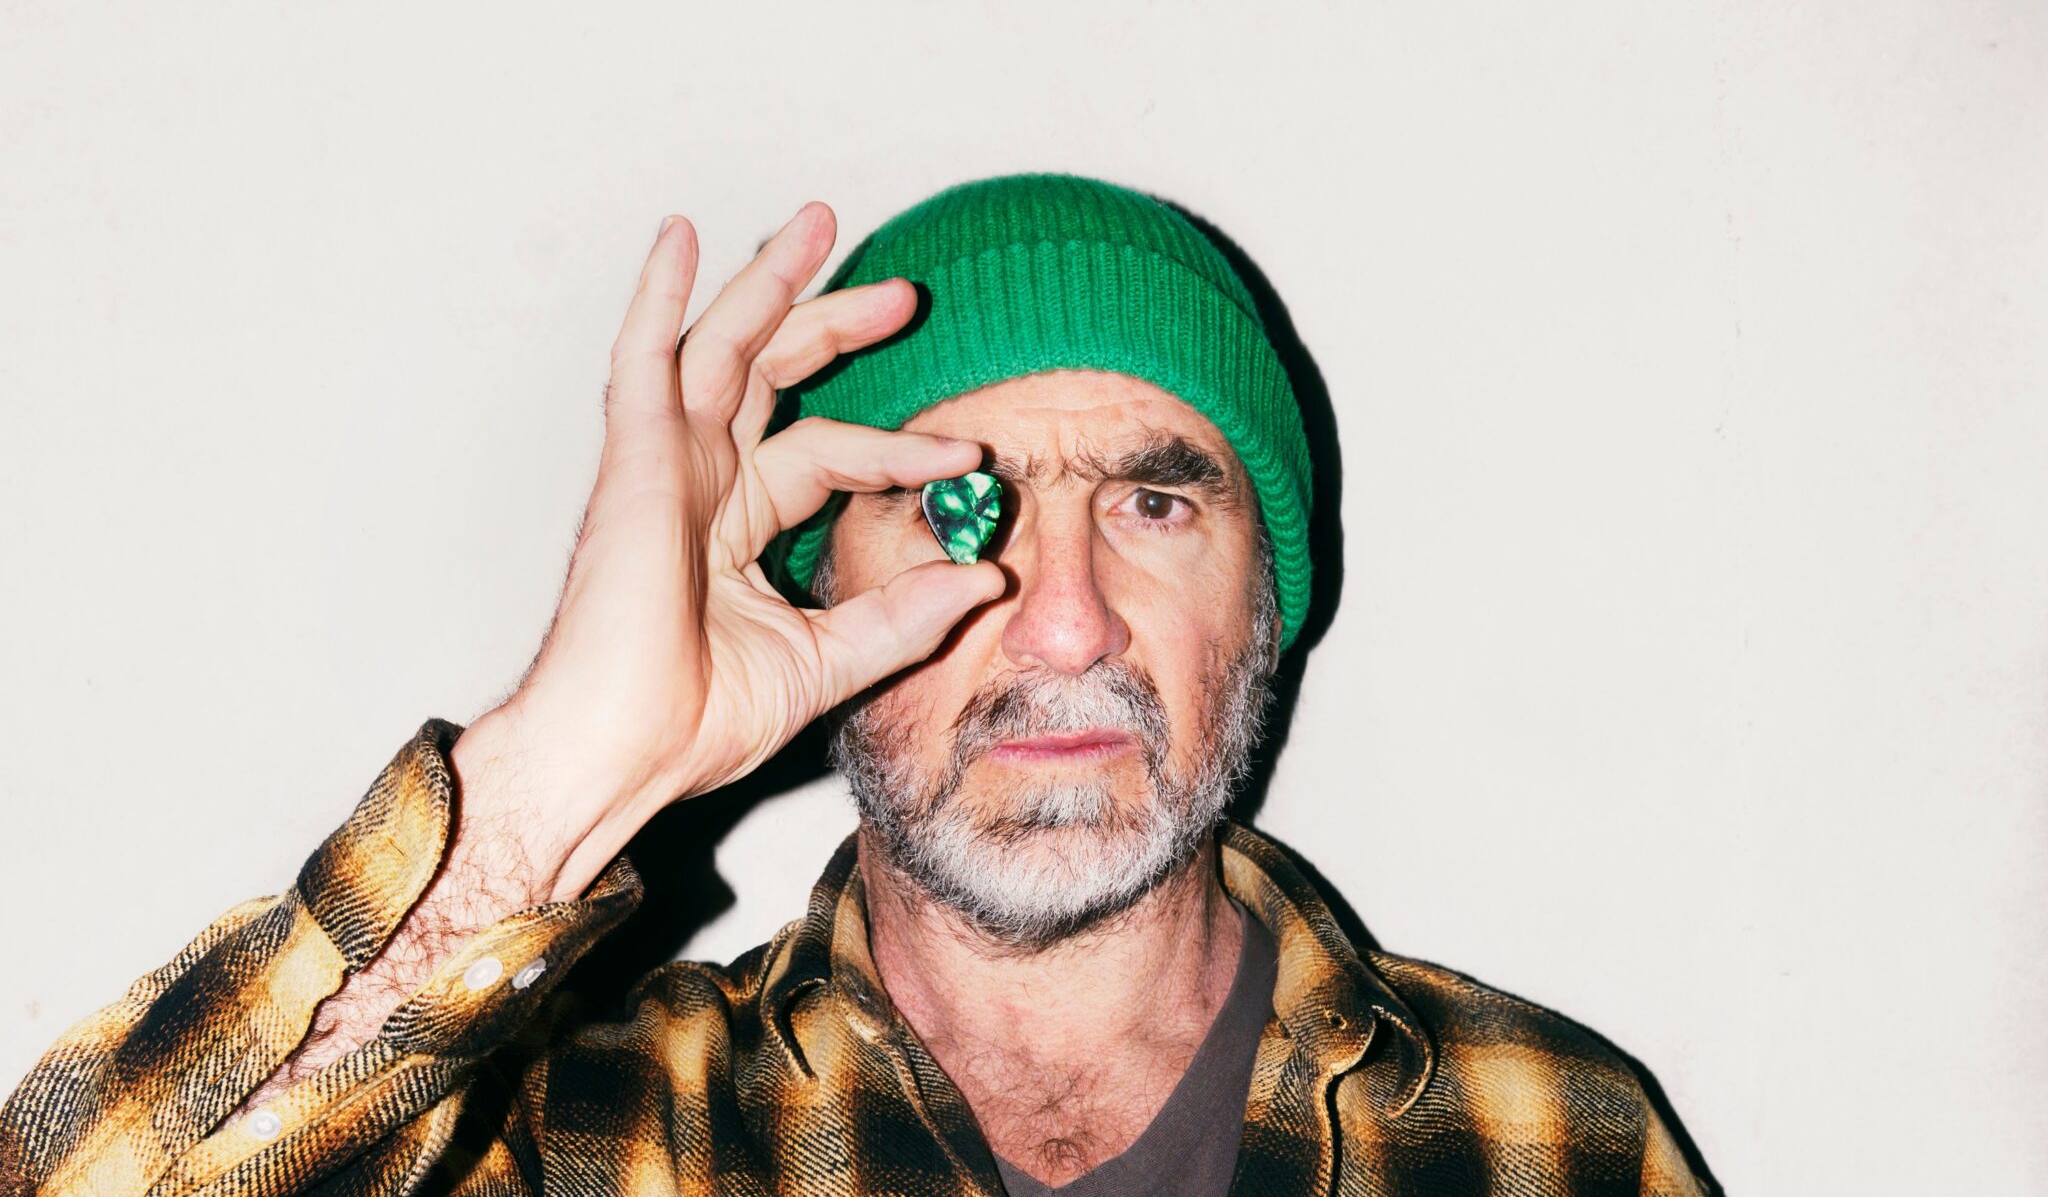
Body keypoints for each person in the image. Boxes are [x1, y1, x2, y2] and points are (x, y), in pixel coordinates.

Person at [0, 174, 1714, 1196]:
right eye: (955, 505)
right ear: (811, 586)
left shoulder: (1550, 1140)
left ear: (1271, 602)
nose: (1061, 622)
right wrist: (556, 777)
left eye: (1154, 504)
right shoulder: (564, 1142)